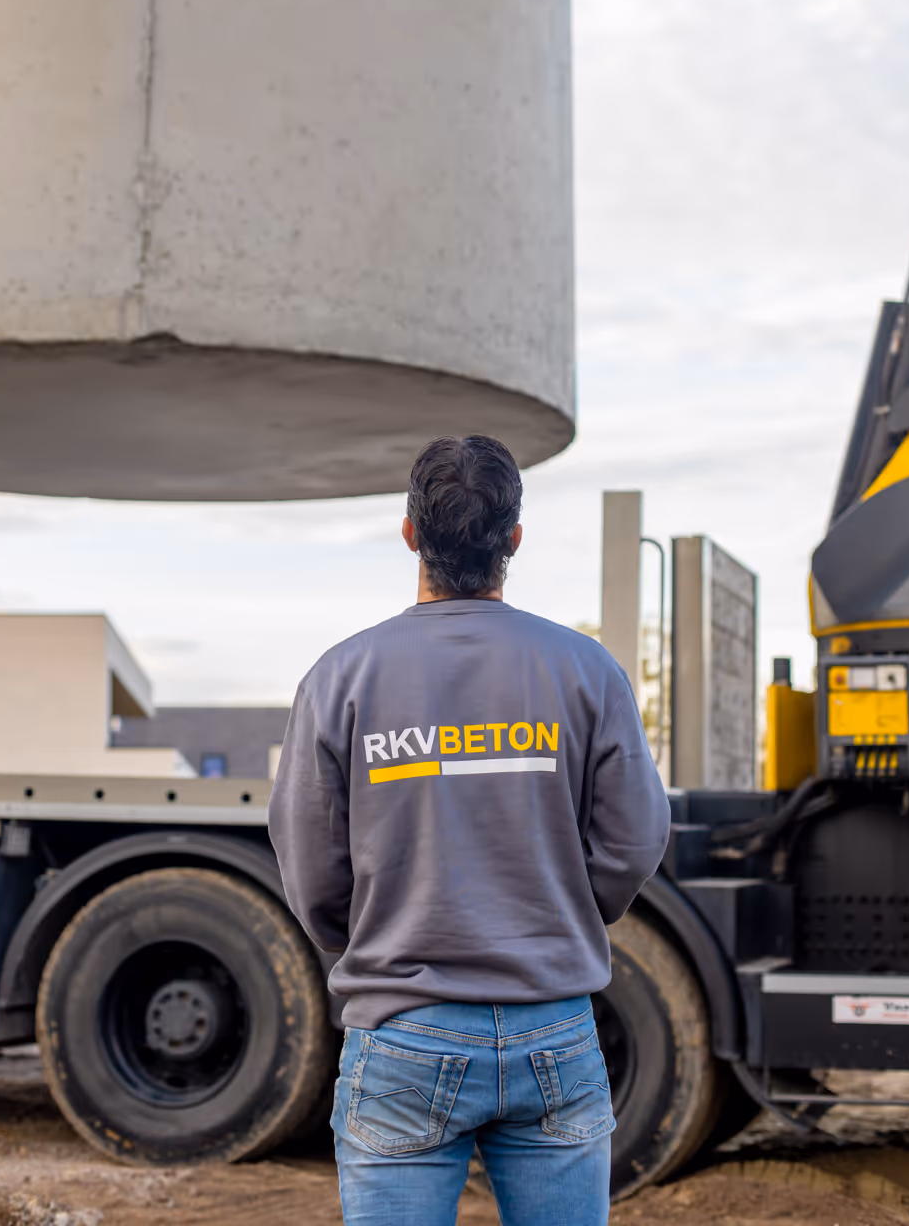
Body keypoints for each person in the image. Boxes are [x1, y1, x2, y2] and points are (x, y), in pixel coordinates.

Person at [268, 435, 671, 1226]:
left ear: (411, 533)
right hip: (552, 1024)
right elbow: (633, 841)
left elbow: (312, 870)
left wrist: (374, 934)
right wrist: (559, 909)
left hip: (402, 1027)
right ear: (512, 540)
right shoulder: (585, 672)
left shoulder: (340, 678)